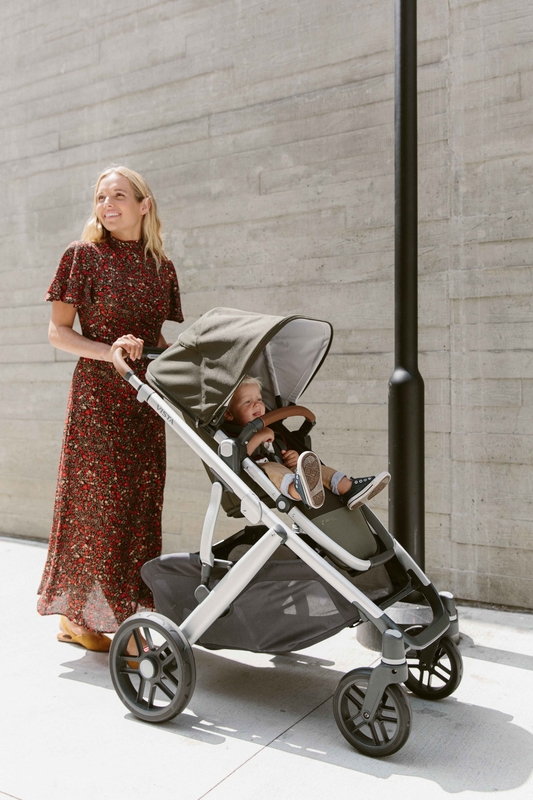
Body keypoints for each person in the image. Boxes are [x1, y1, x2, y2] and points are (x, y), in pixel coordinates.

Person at [37, 166, 183, 652]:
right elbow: (58, 333)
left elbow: (155, 338)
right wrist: (110, 351)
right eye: (101, 197)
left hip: (145, 402)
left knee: (140, 508)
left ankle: (126, 614)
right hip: (98, 400)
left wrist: (187, 364)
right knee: (98, 511)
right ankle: (91, 619)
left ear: (144, 204)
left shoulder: (162, 267)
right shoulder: (83, 257)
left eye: (119, 195)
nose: (107, 205)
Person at [223, 376, 390, 510]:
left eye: (259, 399)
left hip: (289, 471)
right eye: (247, 401)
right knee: (274, 468)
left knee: (315, 468)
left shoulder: (272, 429)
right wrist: (259, 437)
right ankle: (299, 490)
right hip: (259, 476)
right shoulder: (231, 436)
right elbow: (236, 457)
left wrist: (293, 456)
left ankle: (348, 487)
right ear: (229, 414)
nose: (257, 404)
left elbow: (284, 450)